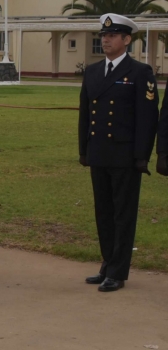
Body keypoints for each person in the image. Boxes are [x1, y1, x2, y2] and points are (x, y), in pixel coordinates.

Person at [78, 13, 159, 292]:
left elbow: (147, 119)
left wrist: (141, 157)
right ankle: (108, 263)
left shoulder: (140, 73)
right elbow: (85, 114)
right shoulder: (92, 71)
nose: (106, 39)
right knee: (104, 212)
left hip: (124, 156)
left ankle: (118, 271)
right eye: (103, 35)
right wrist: (84, 150)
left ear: (126, 40)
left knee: (123, 214)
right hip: (99, 152)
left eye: (112, 36)